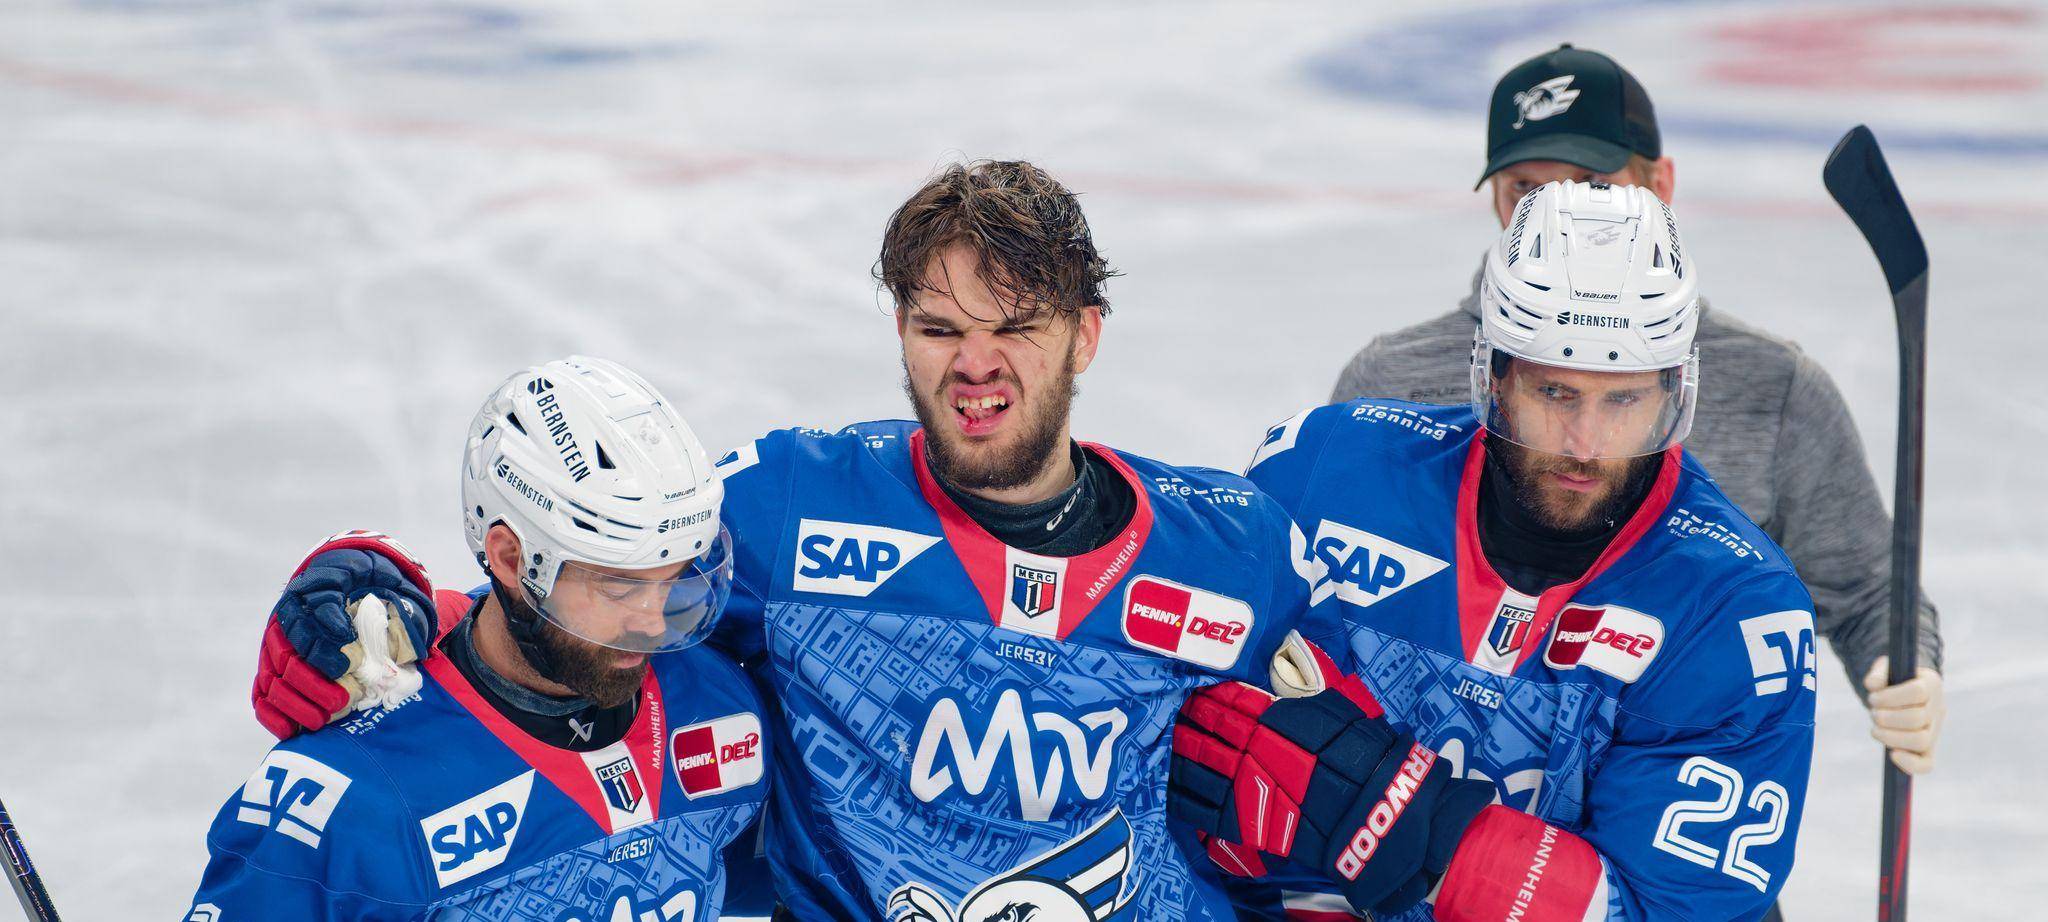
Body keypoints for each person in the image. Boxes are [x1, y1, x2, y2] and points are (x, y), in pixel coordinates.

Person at [239, 160, 1330, 920]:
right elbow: (592, 571)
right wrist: (379, 608)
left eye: (1016, 329)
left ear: (1084, 335)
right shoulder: (785, 504)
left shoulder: (1232, 548)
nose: (974, 364)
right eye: (938, 328)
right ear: (899, 332)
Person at [1173, 181, 1816, 921]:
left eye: (1624, 400)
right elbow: (1182, 731)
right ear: (1495, 375)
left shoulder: (1731, 608)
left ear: (1675, 392)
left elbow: (1662, 910)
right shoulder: (1324, 469)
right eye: (1556, 393)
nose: (1586, 444)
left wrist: (1409, 820)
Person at [1330, 43, 1943, 775]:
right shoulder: (1394, 380)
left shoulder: (1770, 387)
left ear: (1663, 183)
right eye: (1527, 187)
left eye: (1593, 182)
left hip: (1670, 812)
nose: (1562, 212)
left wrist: (1904, 663)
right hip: (1419, 827)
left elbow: (1867, 586)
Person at [188, 356, 770, 920]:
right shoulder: (353, 797)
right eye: (618, 588)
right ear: (512, 559)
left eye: (671, 583)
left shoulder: (718, 702)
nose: (651, 621)